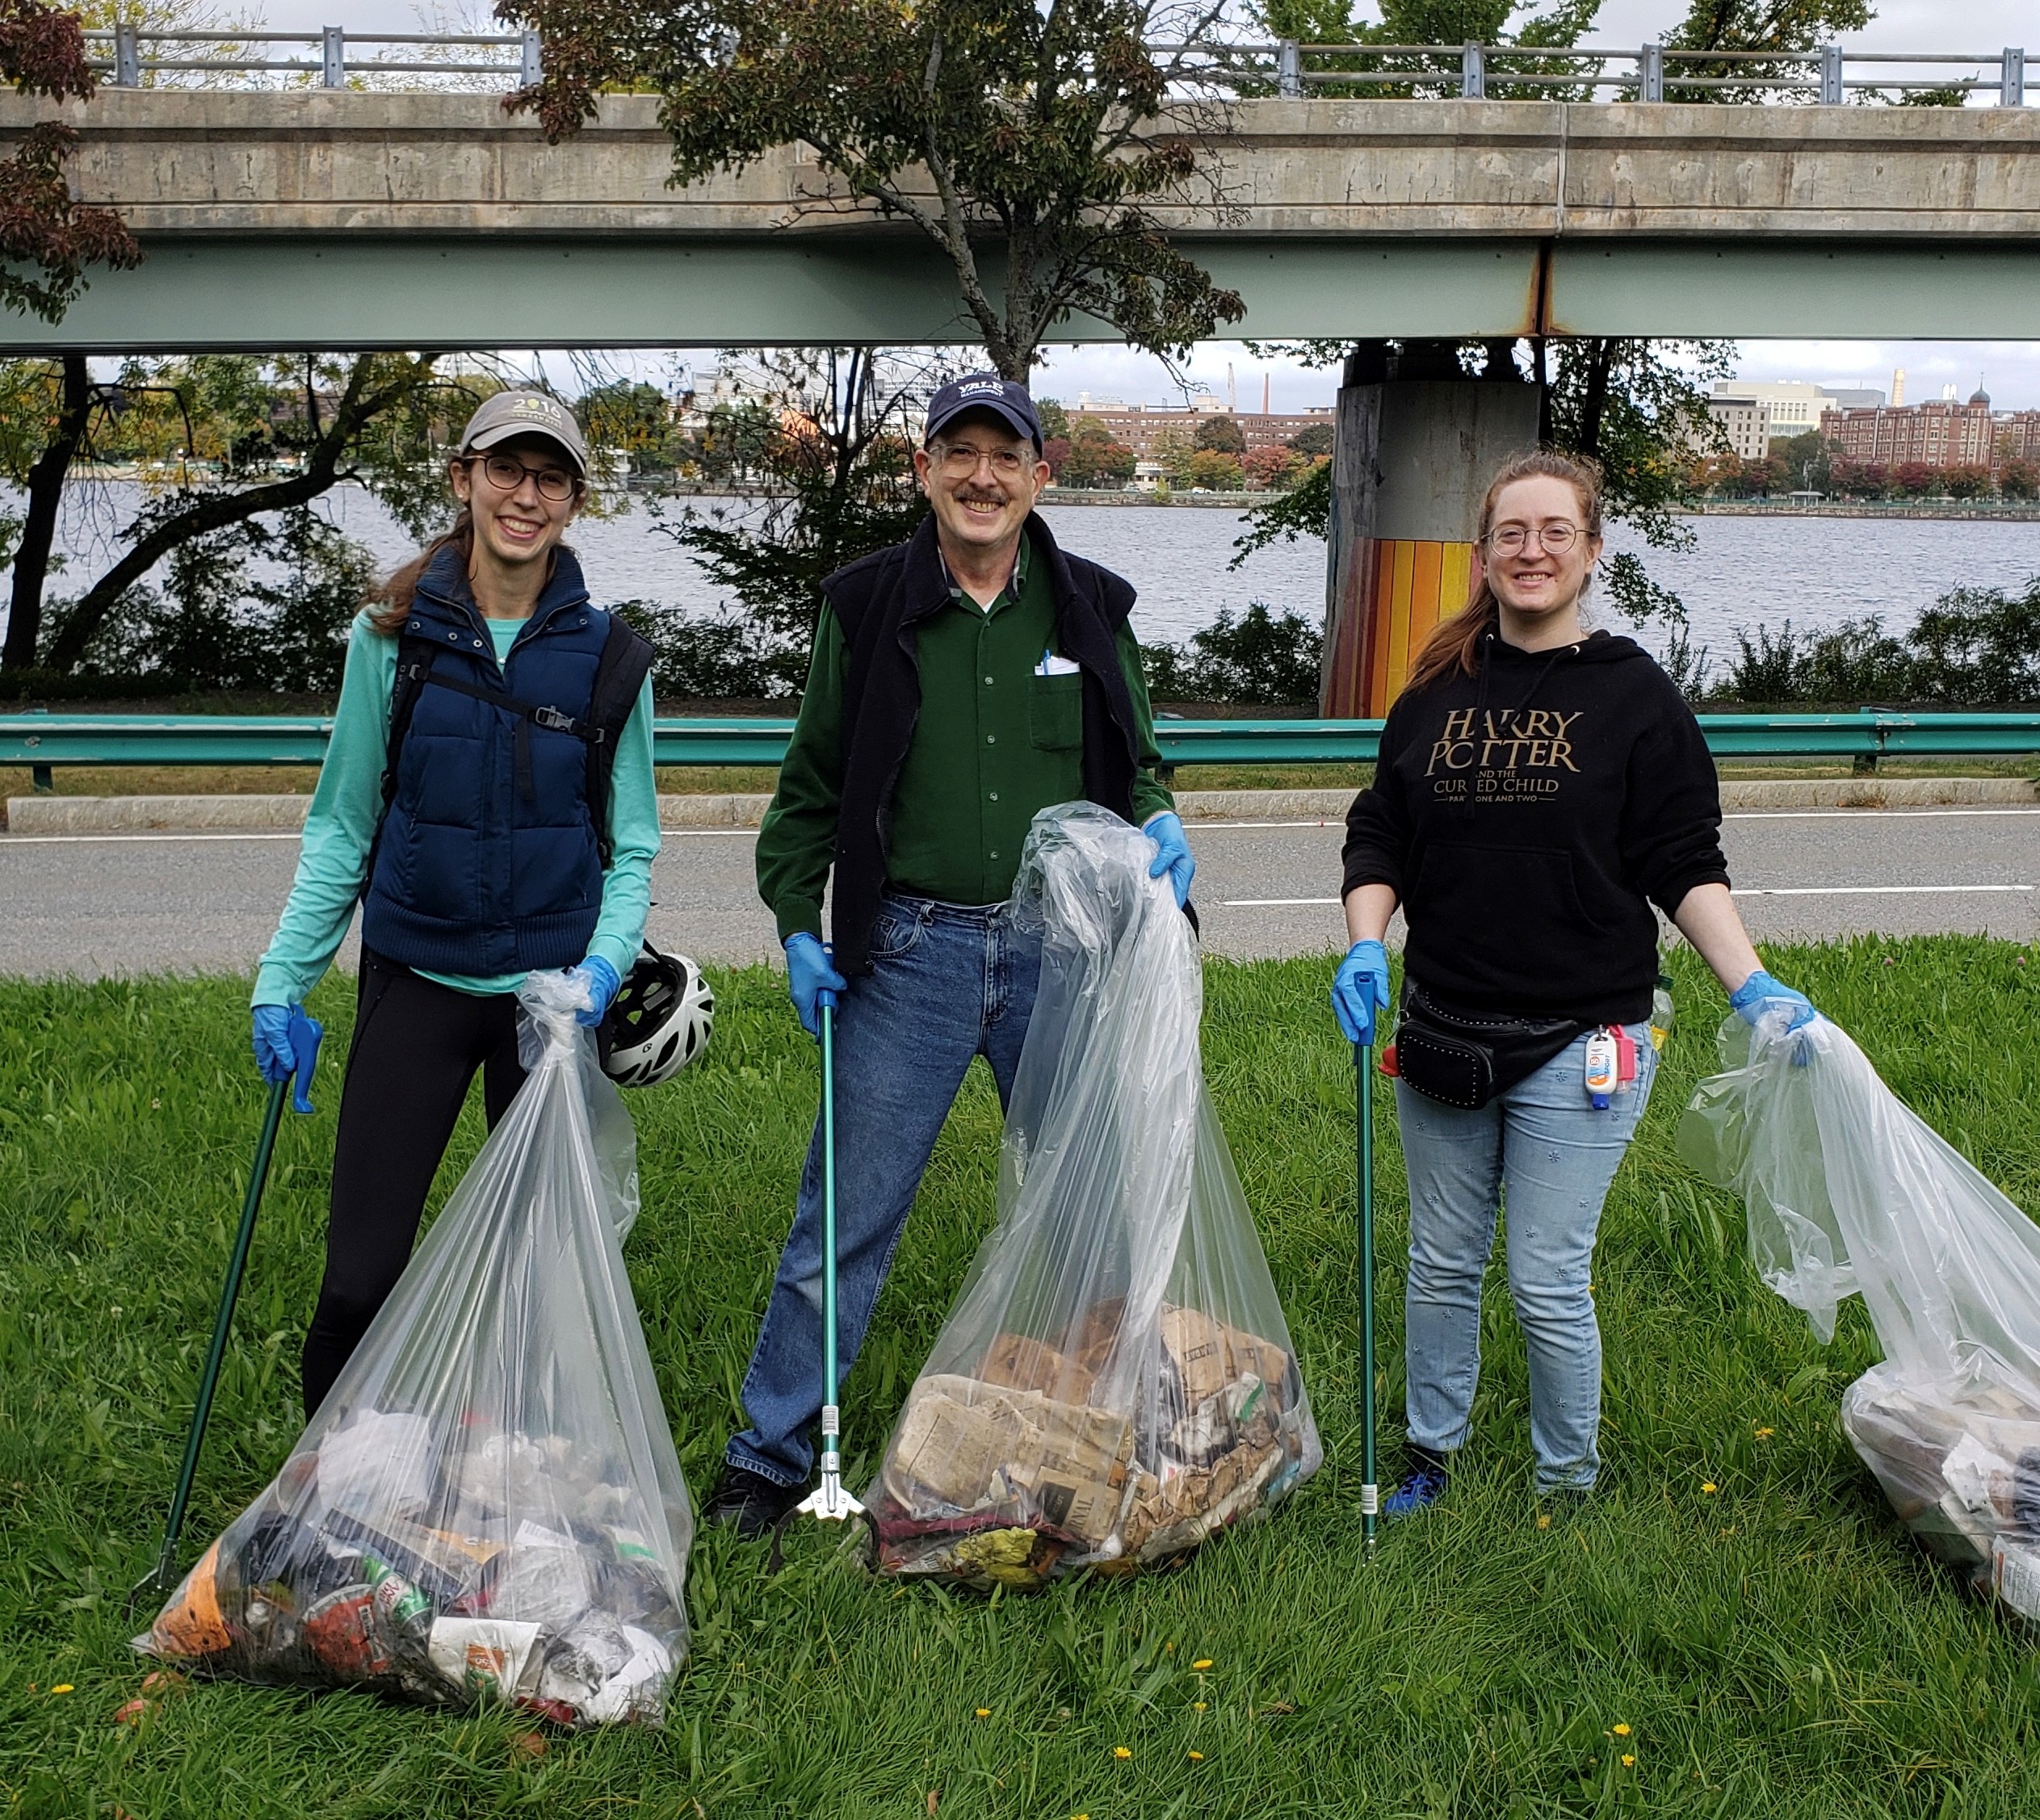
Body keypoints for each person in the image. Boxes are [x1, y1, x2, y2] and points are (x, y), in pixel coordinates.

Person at [704, 374, 1196, 1535]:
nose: (981, 476)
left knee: (1092, 1203)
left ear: (1040, 474)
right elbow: (809, 790)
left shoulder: (1090, 606)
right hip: (908, 954)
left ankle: (1107, 1420)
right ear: (922, 470)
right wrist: (795, 926)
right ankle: (770, 1458)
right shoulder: (864, 607)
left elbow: (1139, 763)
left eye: (1004, 455)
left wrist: (1161, 815)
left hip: (1058, 955)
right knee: (844, 1219)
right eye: (957, 452)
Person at [1331, 448, 1815, 1515]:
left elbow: (1681, 858)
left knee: (1546, 1276)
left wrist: (1749, 981)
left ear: (1591, 551)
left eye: (1556, 531)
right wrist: (1366, 938)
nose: (1532, 550)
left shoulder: (1634, 697)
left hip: (1581, 1038)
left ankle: (1566, 1484)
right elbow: (1380, 836)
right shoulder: (1431, 695)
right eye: (1512, 531)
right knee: (1440, 1264)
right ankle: (1430, 1457)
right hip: (1443, 1026)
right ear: (1482, 553)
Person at [249, 389, 661, 1416]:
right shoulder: (389, 639)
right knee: (358, 1278)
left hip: (549, 1005)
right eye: (507, 470)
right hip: (416, 985)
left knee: (537, 1286)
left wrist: (602, 972)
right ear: (464, 477)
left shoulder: (613, 659)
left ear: (573, 500)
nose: (526, 496)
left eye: (550, 476)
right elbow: (343, 826)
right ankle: (331, 1496)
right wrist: (282, 979)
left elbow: (636, 846)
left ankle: (515, 1493)